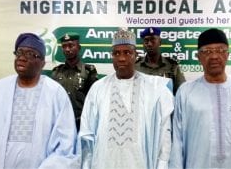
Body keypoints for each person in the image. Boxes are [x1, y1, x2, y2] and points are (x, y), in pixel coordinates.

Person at [0, 33, 77, 168]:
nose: (22, 58)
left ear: (42, 63)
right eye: (19, 52)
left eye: (30, 54)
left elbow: (65, 147)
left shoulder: (55, 94)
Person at [79, 28, 174, 169]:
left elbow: (164, 135)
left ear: (136, 55)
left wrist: (162, 165)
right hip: (103, 162)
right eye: (116, 53)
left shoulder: (155, 89)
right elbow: (87, 134)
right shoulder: (98, 88)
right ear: (111, 56)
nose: (121, 58)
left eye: (127, 52)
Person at [169, 28, 231, 168]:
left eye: (220, 50)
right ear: (198, 57)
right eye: (207, 51)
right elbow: (177, 142)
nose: (214, 56)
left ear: (227, 55)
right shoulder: (186, 92)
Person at [51, 32, 97, 131]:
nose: (67, 49)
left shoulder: (88, 72)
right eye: (64, 46)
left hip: (82, 125)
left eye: (71, 45)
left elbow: (94, 102)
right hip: (60, 125)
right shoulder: (56, 72)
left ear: (79, 47)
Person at [135, 27, 185, 95]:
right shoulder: (135, 66)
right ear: (143, 44)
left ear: (160, 42)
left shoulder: (172, 66)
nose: (149, 44)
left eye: (153, 40)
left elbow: (182, 92)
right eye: (146, 41)